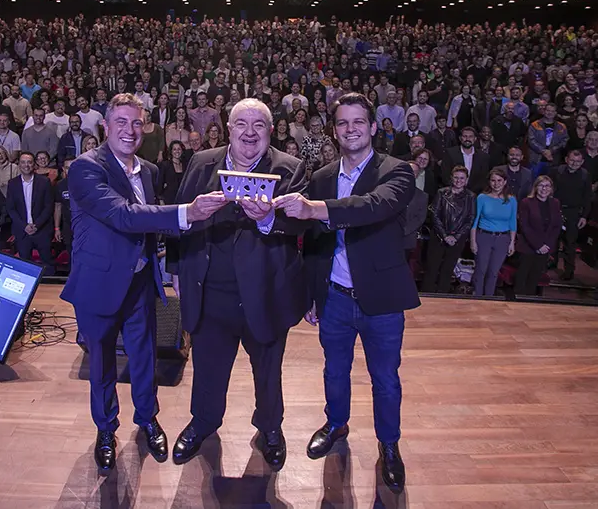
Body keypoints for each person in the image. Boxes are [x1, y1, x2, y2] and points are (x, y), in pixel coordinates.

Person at [60, 93, 227, 474]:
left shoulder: (149, 171)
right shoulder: (86, 168)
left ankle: (147, 419)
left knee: (144, 356)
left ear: (146, 127)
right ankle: (106, 429)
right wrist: (188, 212)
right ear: (105, 126)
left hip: (139, 281)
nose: (129, 130)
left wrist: (167, 268)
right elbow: (124, 216)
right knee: (102, 362)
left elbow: (148, 229)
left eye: (136, 123)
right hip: (99, 284)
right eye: (121, 121)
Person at [274, 92, 417, 492]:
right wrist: (313, 295)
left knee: (385, 379)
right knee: (334, 371)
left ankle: (389, 445)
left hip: (382, 299)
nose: (350, 129)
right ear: (334, 130)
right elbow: (316, 244)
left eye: (358, 122)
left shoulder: (397, 171)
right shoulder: (321, 177)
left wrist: (315, 209)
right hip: (334, 297)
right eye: (342, 123)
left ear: (373, 127)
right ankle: (336, 424)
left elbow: (373, 206)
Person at [168, 98, 308, 469]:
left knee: (268, 371)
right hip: (211, 291)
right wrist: (175, 267)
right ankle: (203, 423)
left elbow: (301, 226)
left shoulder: (289, 168)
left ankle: (270, 428)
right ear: (228, 129)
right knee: (209, 368)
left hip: (266, 293)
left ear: (270, 131)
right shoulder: (201, 162)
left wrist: (266, 220)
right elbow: (180, 215)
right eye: (241, 124)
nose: (249, 133)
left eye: (258, 125)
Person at [423, 165, 475, 293]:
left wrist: (456, 237)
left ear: (466, 180)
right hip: (439, 237)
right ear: (451, 178)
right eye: (456, 178)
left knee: (448, 270)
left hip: (457, 240)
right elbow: (434, 215)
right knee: (432, 269)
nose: (459, 181)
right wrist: (445, 235)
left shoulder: (471, 196)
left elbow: (470, 219)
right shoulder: (442, 192)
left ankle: (443, 298)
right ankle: (427, 296)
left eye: (462, 178)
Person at [470, 168, 518, 297]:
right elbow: (474, 220)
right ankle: (477, 298)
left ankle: (489, 299)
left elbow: (513, 223)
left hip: (503, 239)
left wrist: (512, 242)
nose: (496, 184)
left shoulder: (511, 200)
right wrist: (473, 241)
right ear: (489, 182)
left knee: (494, 271)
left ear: (505, 182)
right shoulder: (482, 198)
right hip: (483, 236)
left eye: (499, 180)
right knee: (480, 270)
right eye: (493, 181)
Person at [5, 152, 55, 272]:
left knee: (48, 265)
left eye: (29, 162)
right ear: (19, 164)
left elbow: (49, 207)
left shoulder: (44, 182)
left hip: (41, 230)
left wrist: (36, 225)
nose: (26, 165)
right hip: (23, 232)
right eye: (23, 162)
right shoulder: (12, 183)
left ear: (34, 165)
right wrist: (24, 226)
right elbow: (11, 209)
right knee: (24, 267)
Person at [514, 176, 562, 296]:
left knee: (535, 277)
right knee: (522, 277)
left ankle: (529, 303)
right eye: (541, 185)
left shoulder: (555, 203)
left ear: (551, 189)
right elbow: (524, 226)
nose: (544, 188)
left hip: (545, 248)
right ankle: (517, 303)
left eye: (547, 186)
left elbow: (556, 226)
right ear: (535, 187)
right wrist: (538, 245)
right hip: (528, 247)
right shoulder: (526, 202)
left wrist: (547, 245)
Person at [549, 150, 592, 280]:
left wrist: (584, 216)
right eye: (572, 160)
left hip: (573, 212)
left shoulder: (585, 175)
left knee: (570, 243)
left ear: (582, 162)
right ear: (566, 159)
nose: (574, 163)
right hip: (555, 209)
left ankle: (569, 271)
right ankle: (551, 263)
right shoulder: (557, 171)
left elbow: (587, 197)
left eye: (578, 161)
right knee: (553, 239)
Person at [442, 126, 489, 193]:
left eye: (470, 136)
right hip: (453, 193)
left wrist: (470, 193)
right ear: (460, 138)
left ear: (475, 138)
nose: (467, 139)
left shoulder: (483, 156)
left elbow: (484, 178)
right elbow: (445, 175)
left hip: (475, 194)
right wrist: (456, 189)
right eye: (465, 136)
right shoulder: (450, 153)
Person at [527, 103, 568, 174]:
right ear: (544, 111)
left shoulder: (561, 126)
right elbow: (531, 140)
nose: (550, 113)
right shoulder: (534, 124)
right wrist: (543, 151)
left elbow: (564, 140)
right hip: (536, 160)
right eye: (548, 110)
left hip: (554, 160)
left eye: (552, 111)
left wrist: (552, 150)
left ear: (555, 113)